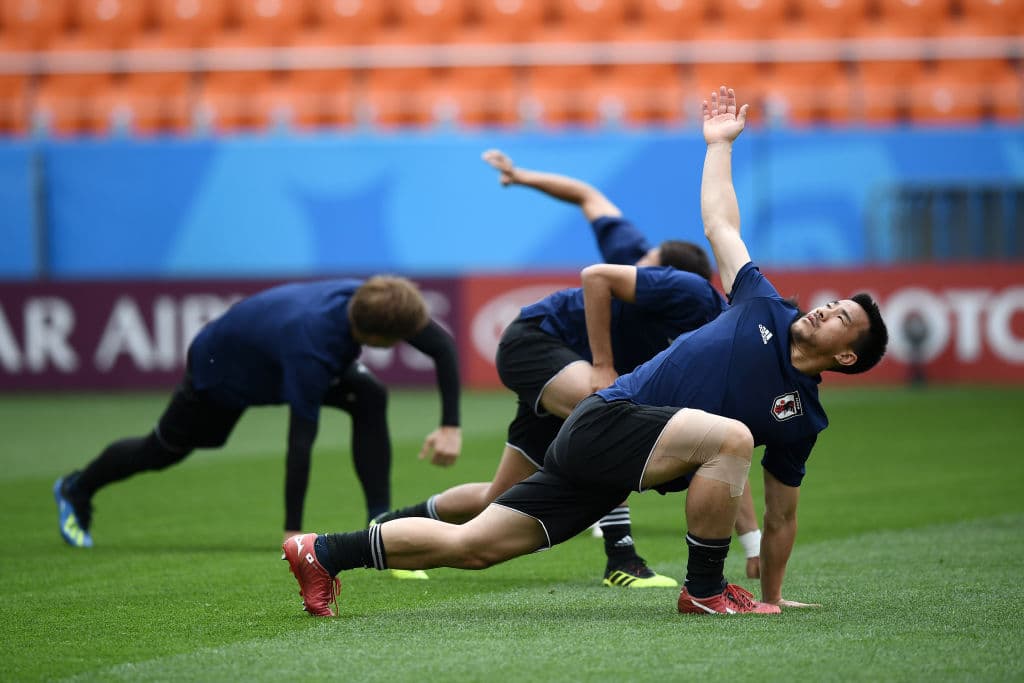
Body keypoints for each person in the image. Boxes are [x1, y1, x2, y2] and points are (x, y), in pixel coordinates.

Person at [281, 86, 889, 617]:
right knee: (731, 436)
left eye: (843, 320)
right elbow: (720, 223)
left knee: (476, 546)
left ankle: (324, 552)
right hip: (608, 420)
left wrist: (775, 597)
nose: (826, 310)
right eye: (834, 304)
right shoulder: (761, 303)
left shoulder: (801, 417)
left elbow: (782, 518)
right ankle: (703, 589)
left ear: (845, 359)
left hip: (612, 467)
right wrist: (720, 145)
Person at [368, 150, 762, 586]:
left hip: (565, 378)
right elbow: (587, 195)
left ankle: (386, 528)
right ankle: (622, 558)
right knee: (608, 414)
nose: (637, 270)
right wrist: (520, 176)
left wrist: (754, 545)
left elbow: (724, 447)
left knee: (496, 498)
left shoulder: (696, 313)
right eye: (643, 264)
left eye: (649, 267)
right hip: (535, 342)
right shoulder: (632, 262)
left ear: (671, 280)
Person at [53, 275, 462, 556]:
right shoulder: (313, 350)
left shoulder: (376, 298)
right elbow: (300, 440)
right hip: (222, 371)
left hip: (272, 356)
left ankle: (380, 521)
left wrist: (450, 426)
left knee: (368, 395)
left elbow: (441, 347)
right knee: (164, 450)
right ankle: (77, 487)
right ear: (375, 338)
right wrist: (293, 530)